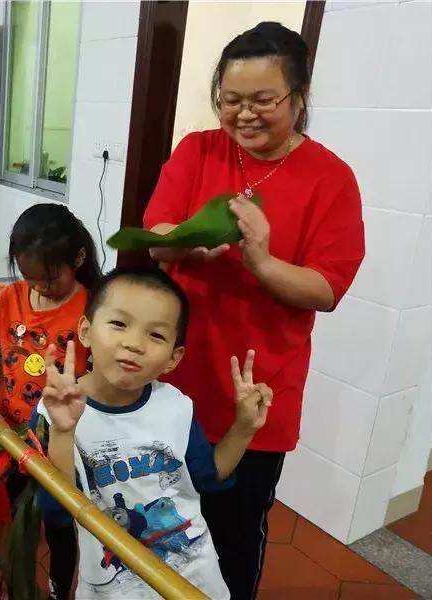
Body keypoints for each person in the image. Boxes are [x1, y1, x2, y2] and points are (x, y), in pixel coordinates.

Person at [142, 22, 365, 599]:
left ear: (299, 97)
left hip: (255, 398)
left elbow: (326, 288)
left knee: (232, 538)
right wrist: (189, 239)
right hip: (170, 379)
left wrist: (261, 261)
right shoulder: (197, 149)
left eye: (264, 100)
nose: (244, 115)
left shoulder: (331, 178)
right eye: (231, 100)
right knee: (155, 521)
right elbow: (153, 236)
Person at [34, 266, 273, 599]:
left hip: (194, 575)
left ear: (174, 358)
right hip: (112, 588)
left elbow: (208, 476)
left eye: (156, 335)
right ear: (86, 330)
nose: (134, 344)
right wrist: (63, 432)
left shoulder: (175, 406)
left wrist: (244, 428)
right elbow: (58, 511)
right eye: (119, 324)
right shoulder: (55, 411)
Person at [0, 202, 102, 600]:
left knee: (59, 522)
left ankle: (60, 589)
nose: (38, 288)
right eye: (29, 278)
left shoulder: (90, 308)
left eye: (49, 278)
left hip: (62, 442)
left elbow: (103, 375)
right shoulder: (12, 298)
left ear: (78, 258)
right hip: (11, 431)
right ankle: (18, 581)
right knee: (17, 511)